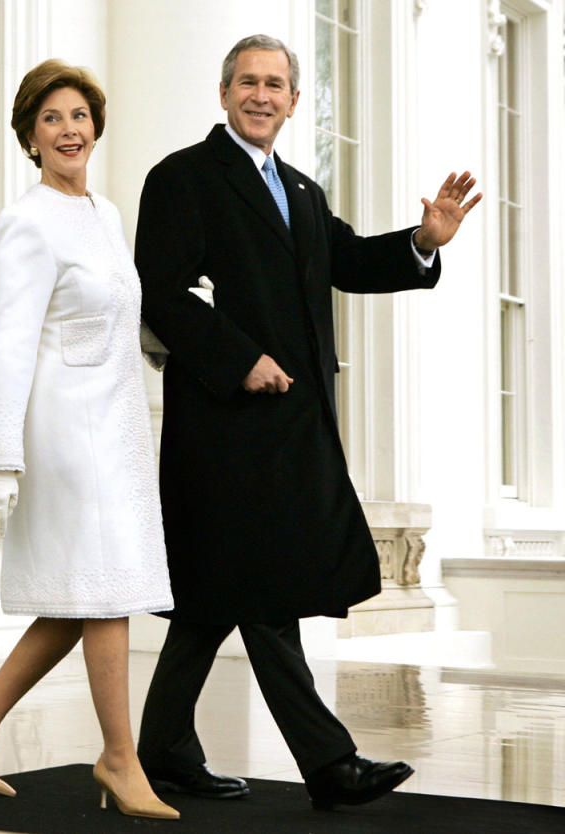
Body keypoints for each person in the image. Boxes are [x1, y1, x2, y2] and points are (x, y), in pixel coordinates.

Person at [134, 35, 481, 810]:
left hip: (293, 428)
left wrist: (423, 242)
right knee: (261, 594)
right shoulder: (182, 177)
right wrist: (239, 358)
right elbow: (159, 293)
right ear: (224, 94)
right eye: (248, 82)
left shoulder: (302, 190)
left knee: (218, 597)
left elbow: (349, 260)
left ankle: (160, 749)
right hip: (222, 429)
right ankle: (329, 764)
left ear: (293, 102)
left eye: (277, 85)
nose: (262, 95)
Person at [0, 59, 177, 821]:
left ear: (95, 127)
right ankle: (120, 756)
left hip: (117, 423)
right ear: (30, 137)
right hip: (66, 430)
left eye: (79, 116)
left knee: (86, 596)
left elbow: (110, 314)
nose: (69, 130)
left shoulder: (105, 215)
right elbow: (13, 344)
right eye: (52, 119)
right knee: (106, 592)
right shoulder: (28, 220)